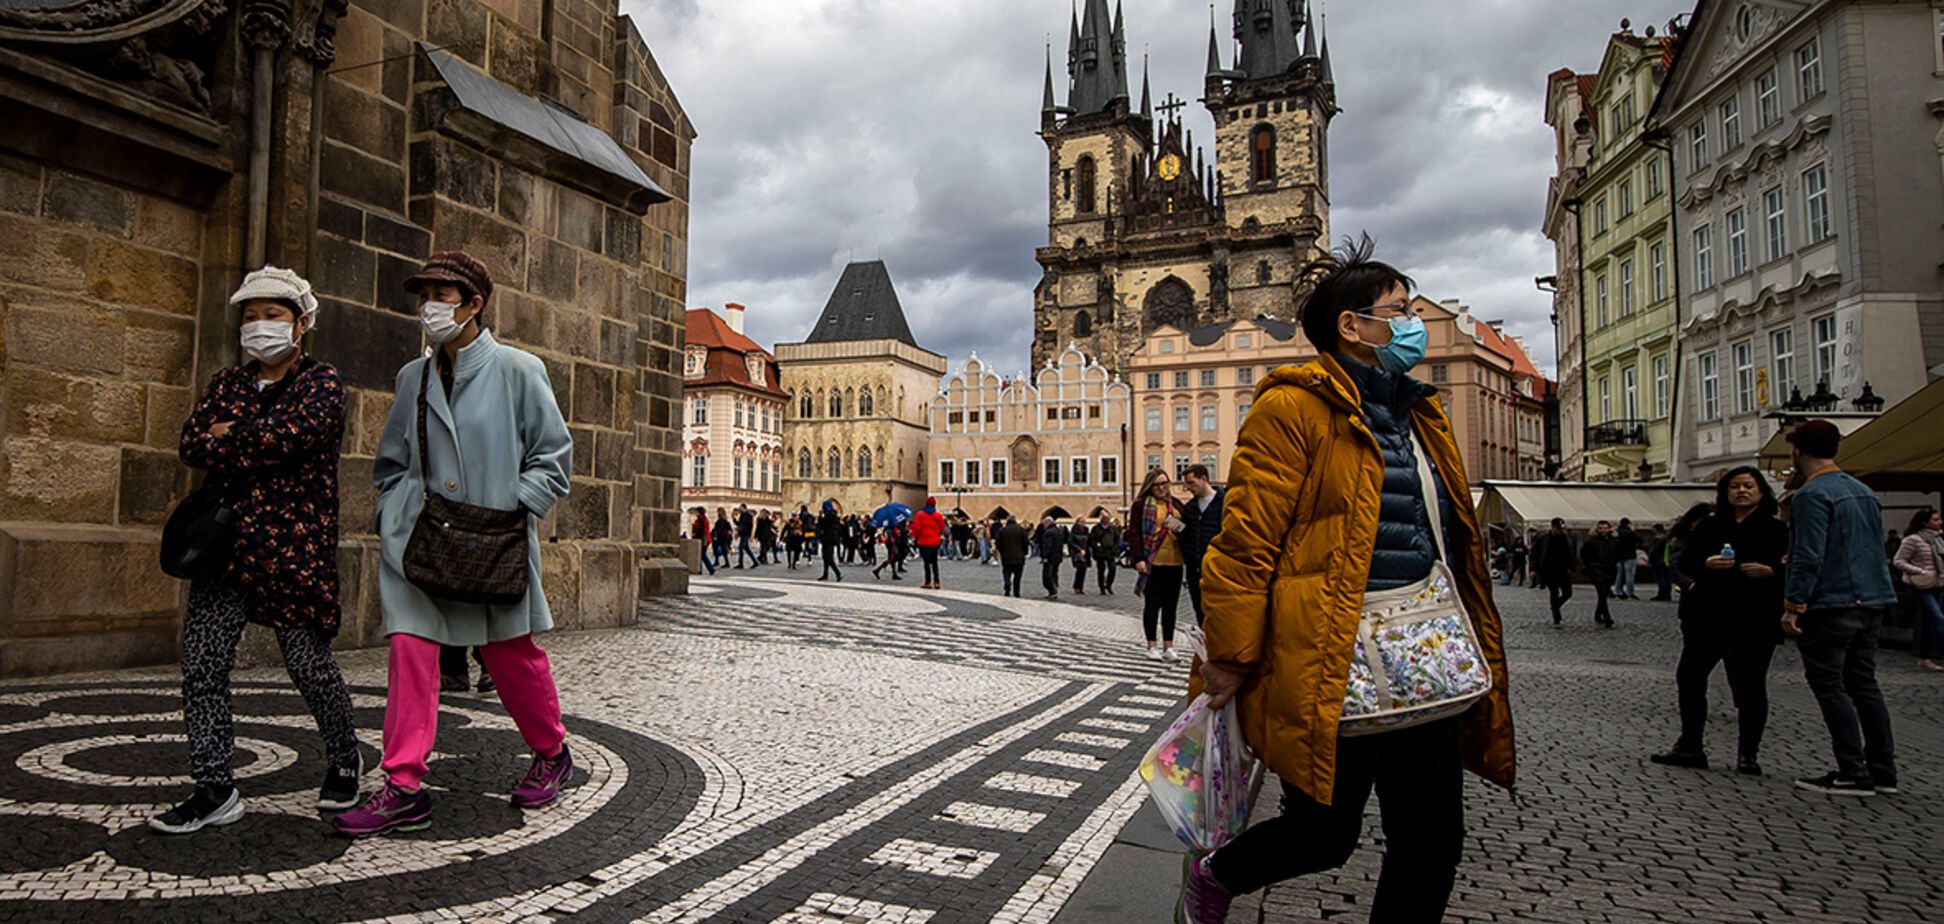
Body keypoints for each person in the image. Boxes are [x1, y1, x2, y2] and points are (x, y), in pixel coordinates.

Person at [1177, 237, 1513, 923]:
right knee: (1324, 834)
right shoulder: (1291, 410)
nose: (1412, 323)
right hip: (1331, 653)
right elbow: (1246, 544)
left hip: (1426, 654)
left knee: (1432, 840)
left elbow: (1450, 534)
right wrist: (1231, 656)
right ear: (1352, 327)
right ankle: (1219, 875)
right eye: (1399, 310)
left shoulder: (1422, 413)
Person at [335, 251, 574, 837]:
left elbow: (553, 457)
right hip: (422, 544)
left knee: (509, 656)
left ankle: (552, 751)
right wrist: (397, 513)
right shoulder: (411, 378)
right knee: (411, 653)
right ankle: (403, 785)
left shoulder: (520, 370)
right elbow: (391, 462)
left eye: (445, 295)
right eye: (426, 295)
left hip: (492, 543)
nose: (431, 306)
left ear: (474, 305)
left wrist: (512, 504)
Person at [150, 267, 362, 835]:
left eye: (272, 314)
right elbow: (193, 442)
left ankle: (345, 757)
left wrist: (234, 435)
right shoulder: (226, 383)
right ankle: (214, 785)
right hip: (225, 547)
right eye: (250, 315)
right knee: (202, 666)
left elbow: (294, 436)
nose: (259, 325)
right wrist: (247, 435)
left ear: (300, 323)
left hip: (293, 549)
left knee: (308, 663)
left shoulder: (324, 383)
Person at [1780, 419, 1898, 796]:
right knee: (1864, 684)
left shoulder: (1812, 495)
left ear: (1798, 451)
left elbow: (1807, 554)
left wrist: (1794, 604)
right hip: (1872, 597)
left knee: (1829, 684)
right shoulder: (1863, 491)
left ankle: (1852, 769)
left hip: (1832, 601)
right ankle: (1882, 769)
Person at [1651, 468, 1787, 776]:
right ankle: (1690, 745)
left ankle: (1748, 754)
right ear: (1725, 493)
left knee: (1751, 686)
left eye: (1748, 486)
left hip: (1754, 617)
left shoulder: (1775, 529)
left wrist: (1772, 573)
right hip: (1708, 614)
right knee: (1690, 677)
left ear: (1761, 492)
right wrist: (1705, 563)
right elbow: (1684, 562)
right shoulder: (1710, 526)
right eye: (1735, 486)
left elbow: (1793, 566)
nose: (1742, 491)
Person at [1130, 469, 1185, 660]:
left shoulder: (1176, 505)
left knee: (1171, 605)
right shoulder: (1140, 505)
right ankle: (1151, 645)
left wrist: (1179, 529)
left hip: (1175, 561)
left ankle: (1169, 646)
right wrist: (1138, 558)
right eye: (1157, 485)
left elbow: (1186, 530)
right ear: (1150, 486)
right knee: (1152, 605)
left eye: (1164, 484)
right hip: (1153, 561)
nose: (1161, 488)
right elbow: (1135, 533)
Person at [1892, 508, 1944, 672]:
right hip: (1920, 585)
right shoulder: (1912, 540)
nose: (1939, 522)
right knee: (1938, 619)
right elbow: (1898, 561)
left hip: (1938, 584)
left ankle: (1924, 657)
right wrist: (1921, 571)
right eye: (1935, 520)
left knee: (1928, 620)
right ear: (1925, 522)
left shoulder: (1939, 539)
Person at [1179, 464, 1226, 624]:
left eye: (1191, 483)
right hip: (1195, 571)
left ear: (1204, 479)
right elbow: (1185, 537)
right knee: (1200, 614)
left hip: (1218, 570)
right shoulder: (1190, 508)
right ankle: (1204, 648)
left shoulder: (1224, 502)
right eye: (1186, 483)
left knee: (1220, 615)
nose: (1188, 487)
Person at [1534, 518, 1576, 626]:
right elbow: (1536, 554)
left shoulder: (1567, 539)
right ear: (1552, 527)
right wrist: (1534, 569)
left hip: (1563, 570)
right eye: (1558, 528)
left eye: (1561, 529)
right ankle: (1556, 616)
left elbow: (1571, 553)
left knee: (1568, 593)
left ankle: (1555, 606)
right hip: (1548, 570)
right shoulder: (1543, 539)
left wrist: (1571, 566)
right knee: (1554, 592)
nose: (1560, 531)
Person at [1580, 520, 1619, 628]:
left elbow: (1618, 553)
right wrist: (1590, 565)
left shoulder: (1614, 541)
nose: (1603, 530)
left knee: (1604, 594)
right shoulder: (1591, 542)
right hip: (1596, 570)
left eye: (1605, 528)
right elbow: (1584, 554)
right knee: (1601, 593)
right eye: (1601, 528)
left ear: (1609, 529)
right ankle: (1607, 617)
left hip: (1610, 570)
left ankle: (1598, 614)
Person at [913, 497, 946, 589]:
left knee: (926, 563)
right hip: (935, 542)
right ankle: (937, 582)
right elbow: (942, 528)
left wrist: (917, 536)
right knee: (935, 562)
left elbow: (916, 528)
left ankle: (927, 582)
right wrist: (936, 534)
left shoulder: (920, 515)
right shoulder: (938, 516)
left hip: (923, 542)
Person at [996, 516, 1030, 596]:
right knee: (1017, 575)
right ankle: (1016, 591)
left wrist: (1002, 552)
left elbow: (998, 544)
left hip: (1006, 557)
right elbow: (1025, 542)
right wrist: (1025, 553)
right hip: (1019, 557)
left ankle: (1007, 585)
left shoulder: (1002, 530)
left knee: (1006, 573)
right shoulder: (1021, 530)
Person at [1036, 516, 1068, 598]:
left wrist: (1044, 557)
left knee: (1047, 575)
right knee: (1054, 574)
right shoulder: (1059, 531)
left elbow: (1048, 546)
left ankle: (1053, 591)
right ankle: (1054, 590)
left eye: (1044, 523)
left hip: (1050, 558)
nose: (1044, 526)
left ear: (1047, 523)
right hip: (1058, 557)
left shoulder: (1048, 533)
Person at [1090, 516, 1121, 594]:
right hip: (1100, 552)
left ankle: (1109, 585)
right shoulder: (1096, 528)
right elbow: (1092, 539)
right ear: (1101, 520)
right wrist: (1096, 546)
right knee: (1101, 570)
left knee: (1112, 569)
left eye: (1107, 519)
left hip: (1110, 551)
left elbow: (1117, 539)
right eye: (1104, 519)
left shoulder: (1113, 528)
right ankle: (1102, 587)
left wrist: (1115, 548)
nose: (1106, 520)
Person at [1613, 517, 1641, 600]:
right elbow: (1639, 540)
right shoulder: (1630, 533)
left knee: (1619, 575)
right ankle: (1630, 593)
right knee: (1629, 575)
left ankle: (1618, 592)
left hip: (1618, 556)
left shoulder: (1616, 533)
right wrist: (1633, 531)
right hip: (1630, 556)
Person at [817, 501, 844, 582]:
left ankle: (838, 573)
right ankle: (825, 574)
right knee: (826, 557)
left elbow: (822, 524)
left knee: (828, 558)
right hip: (830, 538)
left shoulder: (829, 515)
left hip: (828, 539)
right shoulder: (833, 515)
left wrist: (820, 517)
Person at [1647, 524, 1672, 601]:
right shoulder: (1667, 538)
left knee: (1660, 578)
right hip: (1666, 560)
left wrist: (1650, 559)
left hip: (1657, 560)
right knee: (1667, 578)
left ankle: (1662, 594)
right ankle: (1667, 594)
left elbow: (1653, 550)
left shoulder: (1657, 539)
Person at [1068, 515, 1092, 595]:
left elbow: (1089, 541)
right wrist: (1079, 549)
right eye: (1081, 521)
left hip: (1085, 553)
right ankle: (1076, 587)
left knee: (1083, 571)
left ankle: (1081, 587)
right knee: (1079, 570)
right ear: (1077, 522)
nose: (1083, 523)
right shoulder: (1074, 530)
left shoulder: (1086, 530)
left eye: (1084, 522)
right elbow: (1071, 542)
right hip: (1077, 553)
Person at [690, 507, 717, 576]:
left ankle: (707, 569)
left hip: (703, 539)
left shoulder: (701, 519)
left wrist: (695, 535)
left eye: (696, 512)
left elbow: (701, 530)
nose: (695, 513)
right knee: (702, 555)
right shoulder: (703, 519)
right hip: (706, 538)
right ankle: (707, 569)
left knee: (701, 555)